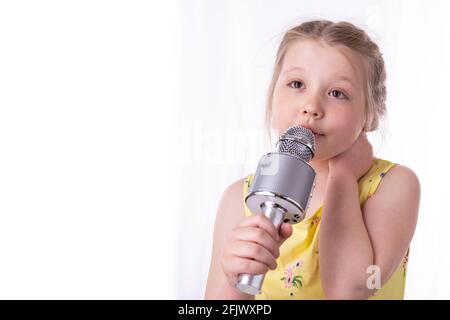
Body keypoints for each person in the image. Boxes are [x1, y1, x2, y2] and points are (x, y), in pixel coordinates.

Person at [205, 20, 420, 300]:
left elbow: (350, 289)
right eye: (297, 84)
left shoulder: (392, 186)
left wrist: (343, 175)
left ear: (371, 114)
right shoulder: (240, 198)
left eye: (337, 93)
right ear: (273, 96)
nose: (312, 106)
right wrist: (236, 279)